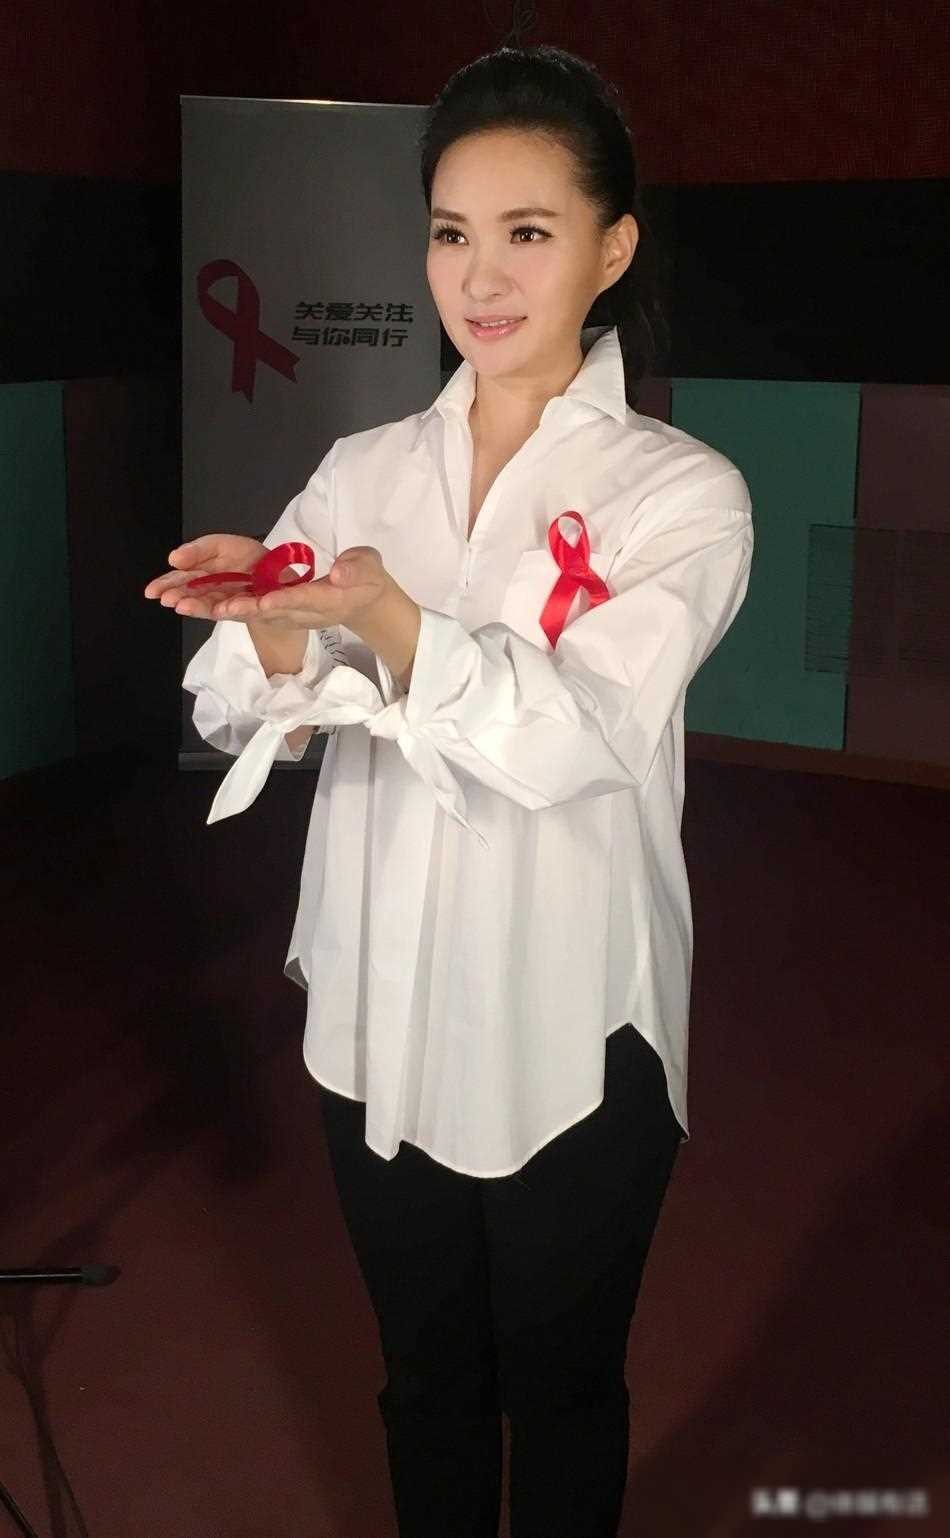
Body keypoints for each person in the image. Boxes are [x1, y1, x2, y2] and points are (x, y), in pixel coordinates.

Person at [145, 44, 754, 1538]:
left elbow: (576, 736)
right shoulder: (363, 468)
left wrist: (391, 623)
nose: (480, 276)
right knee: (421, 1381)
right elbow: (241, 710)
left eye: (527, 232)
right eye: (449, 232)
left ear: (612, 247)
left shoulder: (681, 494)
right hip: (380, 1009)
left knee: (564, 1388)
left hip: (573, 1018)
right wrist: (273, 626)